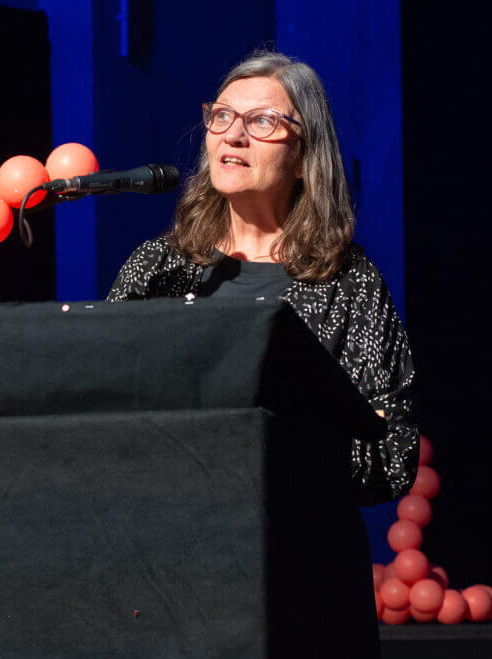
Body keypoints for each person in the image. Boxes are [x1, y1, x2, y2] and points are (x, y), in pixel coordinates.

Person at [107, 50, 417, 507]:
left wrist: (258, 449)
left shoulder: (350, 283)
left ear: (303, 157)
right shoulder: (158, 267)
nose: (233, 135)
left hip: (291, 540)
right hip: (170, 531)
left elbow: (392, 457)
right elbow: (107, 412)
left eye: (262, 121)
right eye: (223, 116)